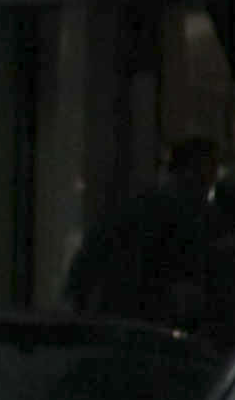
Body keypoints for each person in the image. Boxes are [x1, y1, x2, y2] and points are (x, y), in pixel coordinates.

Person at [66, 136, 226, 325]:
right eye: (211, 166)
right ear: (194, 168)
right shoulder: (185, 210)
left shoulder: (142, 202)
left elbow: (97, 246)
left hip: (131, 308)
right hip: (154, 311)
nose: (214, 175)